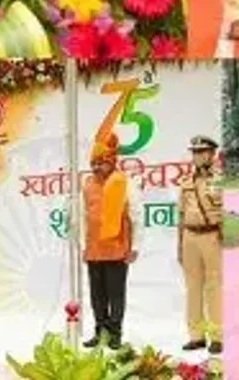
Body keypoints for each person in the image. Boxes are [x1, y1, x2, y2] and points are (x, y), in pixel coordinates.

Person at [82, 131, 143, 348]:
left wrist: (135, 246)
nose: (96, 167)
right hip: (93, 250)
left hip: (118, 249)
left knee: (115, 295)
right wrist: (83, 245)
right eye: (93, 163)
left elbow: (136, 216)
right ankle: (100, 333)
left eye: (101, 163)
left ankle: (115, 335)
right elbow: (84, 218)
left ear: (112, 162)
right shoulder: (87, 184)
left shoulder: (124, 182)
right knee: (97, 296)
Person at [179, 135, 225, 354]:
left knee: (214, 287)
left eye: (201, 151)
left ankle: (217, 335)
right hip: (190, 234)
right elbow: (181, 213)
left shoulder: (219, 179)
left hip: (211, 235)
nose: (196, 156)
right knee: (192, 287)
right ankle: (196, 336)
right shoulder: (186, 180)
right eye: (194, 152)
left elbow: (225, 212)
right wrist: (180, 244)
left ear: (212, 154)